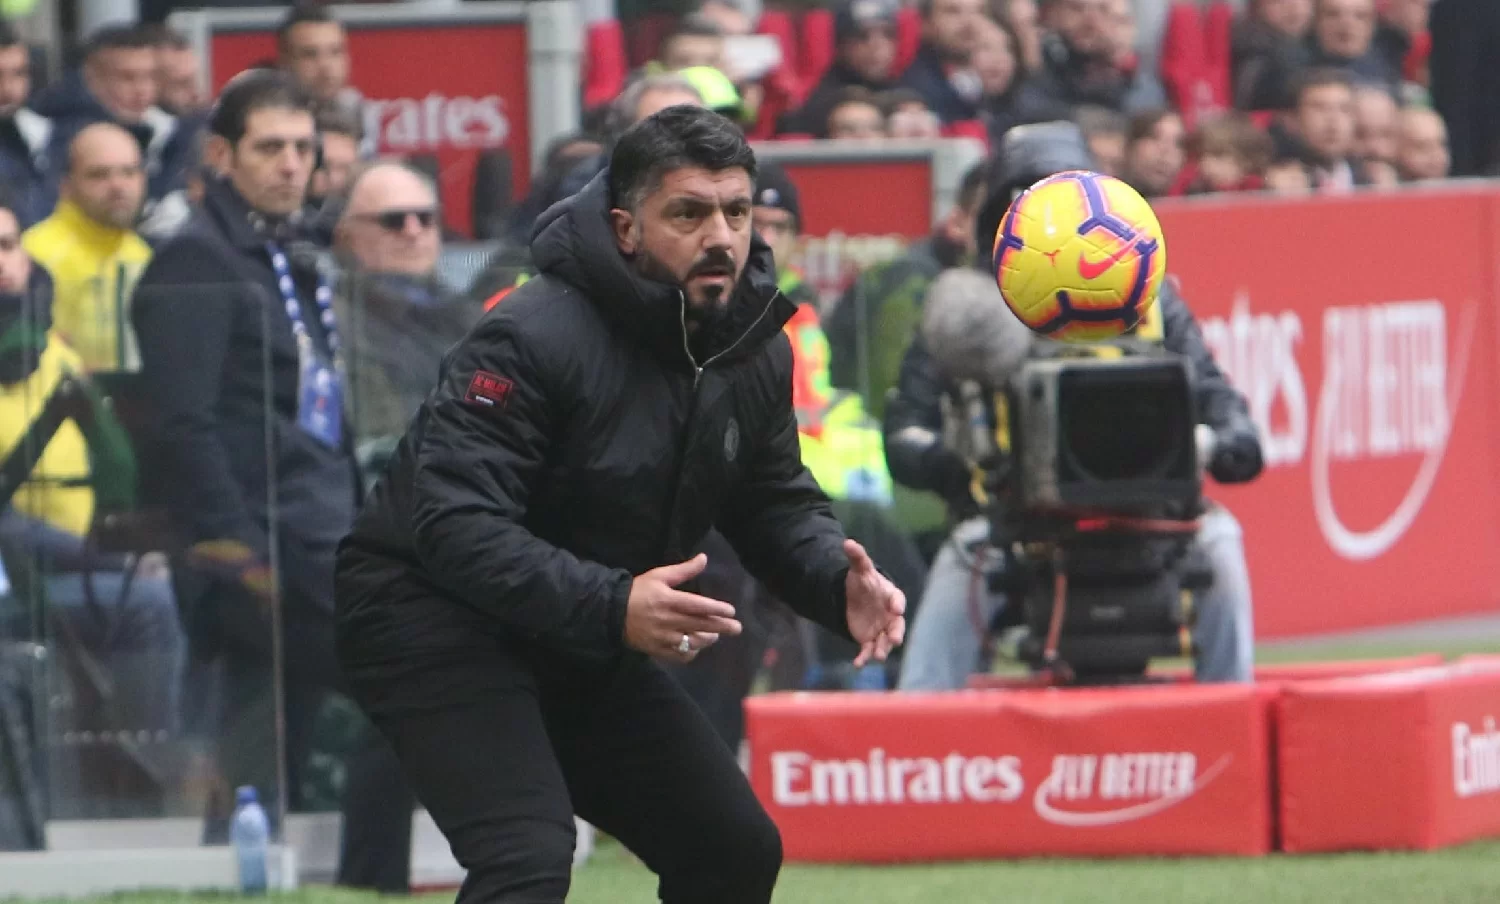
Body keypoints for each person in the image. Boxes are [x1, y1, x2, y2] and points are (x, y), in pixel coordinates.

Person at [334, 105, 906, 903]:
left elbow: (773, 497)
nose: (722, 237)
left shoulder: (753, 344)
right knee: (527, 857)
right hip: (430, 613)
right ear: (626, 228)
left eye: (737, 211)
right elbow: (455, 525)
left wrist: (831, 578)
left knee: (732, 849)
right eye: (689, 212)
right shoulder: (530, 333)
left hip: (579, 621)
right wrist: (611, 605)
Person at [128, 69, 405, 884]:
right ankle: (372, 877)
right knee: (413, 679)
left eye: (302, 149)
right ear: (221, 155)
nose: (291, 165)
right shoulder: (193, 261)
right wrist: (243, 554)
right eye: (269, 148)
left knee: (260, 746)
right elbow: (183, 426)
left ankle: (247, 879)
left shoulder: (297, 255)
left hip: (322, 535)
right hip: (264, 549)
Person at [887, 120, 1263, 692]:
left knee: (1223, 555)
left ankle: (1232, 719)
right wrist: (961, 463)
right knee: (959, 573)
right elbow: (905, 432)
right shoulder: (962, 310)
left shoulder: (1157, 302)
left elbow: (1232, 421)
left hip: (1156, 521)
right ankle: (919, 750)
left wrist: (1213, 441)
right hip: (1017, 528)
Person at [0, 191, 185, 818]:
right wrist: (94, 557)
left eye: (6, 247)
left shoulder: (56, 352)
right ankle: (133, 782)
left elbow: (117, 466)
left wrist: (132, 542)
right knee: (147, 600)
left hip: (76, 566)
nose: (2, 264)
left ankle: (144, 777)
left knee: (163, 590)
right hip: (18, 578)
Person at [22, 123, 152, 373]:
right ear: (66, 185)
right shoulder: (36, 254)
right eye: (99, 174)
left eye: (129, 172)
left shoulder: (143, 255)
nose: (117, 186)